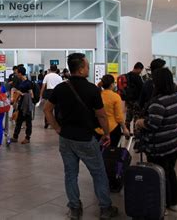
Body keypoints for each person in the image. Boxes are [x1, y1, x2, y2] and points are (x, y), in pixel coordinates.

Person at [43, 53, 118, 220]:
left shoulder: (61, 88)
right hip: (86, 138)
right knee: (98, 173)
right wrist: (106, 134)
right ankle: (105, 208)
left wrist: (57, 128)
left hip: (66, 138)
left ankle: (75, 208)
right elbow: (101, 116)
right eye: (87, 65)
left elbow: (47, 109)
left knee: (70, 174)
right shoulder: (92, 89)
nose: (89, 68)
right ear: (82, 68)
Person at [134, 68, 177, 212]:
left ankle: (161, 203)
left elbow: (153, 124)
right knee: (170, 172)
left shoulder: (157, 102)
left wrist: (140, 122)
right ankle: (171, 201)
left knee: (159, 175)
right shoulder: (175, 97)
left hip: (159, 145)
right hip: (174, 142)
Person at [97, 75, 130, 146]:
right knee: (112, 153)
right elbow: (119, 116)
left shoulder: (98, 95)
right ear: (112, 84)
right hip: (112, 129)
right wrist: (124, 128)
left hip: (98, 129)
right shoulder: (115, 97)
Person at [11, 66, 34, 144]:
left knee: (28, 122)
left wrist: (21, 94)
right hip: (21, 104)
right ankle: (15, 137)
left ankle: (27, 138)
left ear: (20, 73)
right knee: (19, 120)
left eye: (17, 73)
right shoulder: (21, 82)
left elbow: (31, 95)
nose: (16, 74)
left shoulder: (28, 83)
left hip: (27, 105)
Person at [40, 64, 63, 129]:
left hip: (48, 93)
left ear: (50, 69)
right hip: (57, 92)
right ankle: (58, 124)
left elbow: (43, 86)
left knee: (48, 108)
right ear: (56, 69)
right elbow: (61, 87)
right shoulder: (59, 77)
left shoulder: (47, 76)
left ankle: (46, 123)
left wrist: (41, 95)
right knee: (57, 109)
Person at [124, 62, 144, 129]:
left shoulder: (127, 75)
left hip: (128, 100)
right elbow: (142, 88)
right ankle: (136, 135)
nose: (140, 72)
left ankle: (127, 134)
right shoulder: (137, 77)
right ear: (138, 68)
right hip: (136, 101)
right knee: (136, 118)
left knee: (128, 118)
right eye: (141, 70)